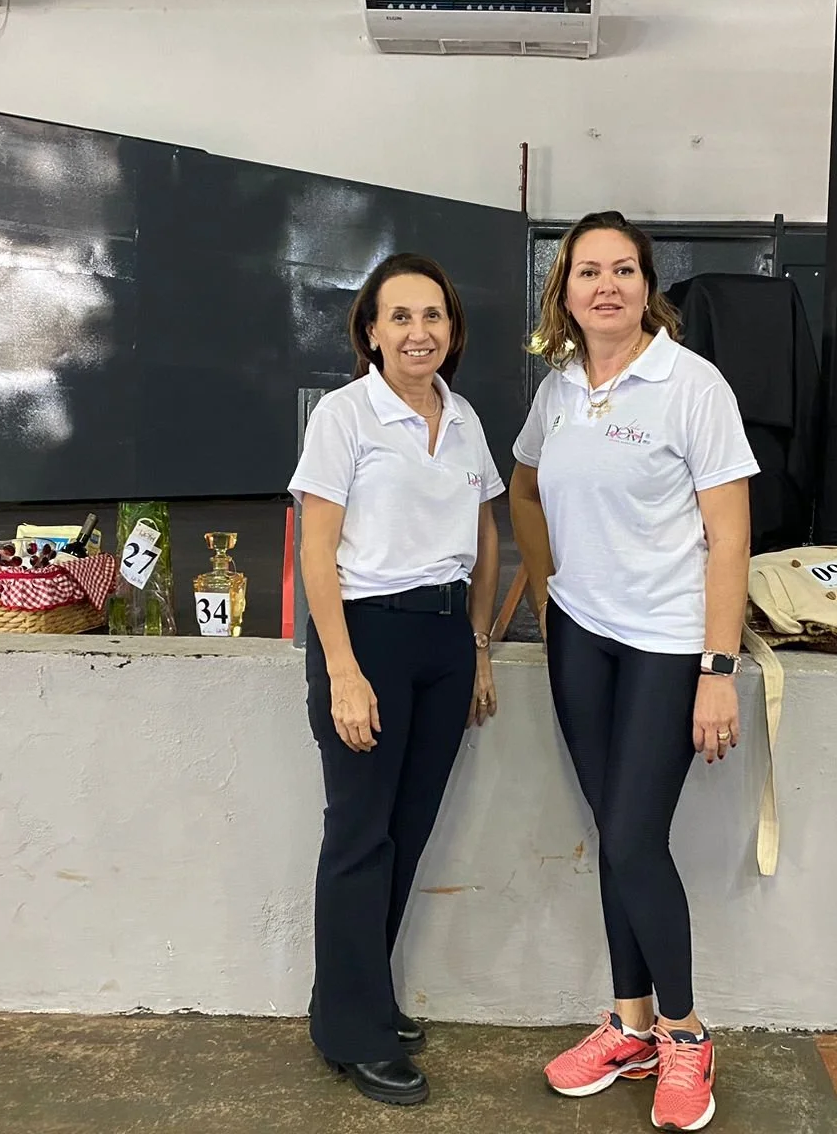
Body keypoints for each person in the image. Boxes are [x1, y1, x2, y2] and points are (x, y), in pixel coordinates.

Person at [510, 211, 757, 1132]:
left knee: (633, 839)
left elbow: (730, 536)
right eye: (587, 272)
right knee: (614, 831)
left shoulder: (693, 387)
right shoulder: (562, 389)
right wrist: (544, 582)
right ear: (563, 291)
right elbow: (526, 483)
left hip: (666, 643)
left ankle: (687, 1036)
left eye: (623, 270)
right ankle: (629, 1023)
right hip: (581, 636)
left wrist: (717, 667)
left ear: (648, 286)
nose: (604, 286)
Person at [289, 252, 503, 1107]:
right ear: (371, 333)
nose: (420, 332)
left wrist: (481, 646)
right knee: (360, 837)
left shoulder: (466, 419)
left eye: (434, 317)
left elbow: (486, 535)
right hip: (366, 636)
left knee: (407, 832)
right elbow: (315, 549)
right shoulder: (345, 417)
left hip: (446, 640)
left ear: (452, 331)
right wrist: (342, 670)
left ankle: (355, 998)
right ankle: (352, 1034)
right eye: (401, 317)